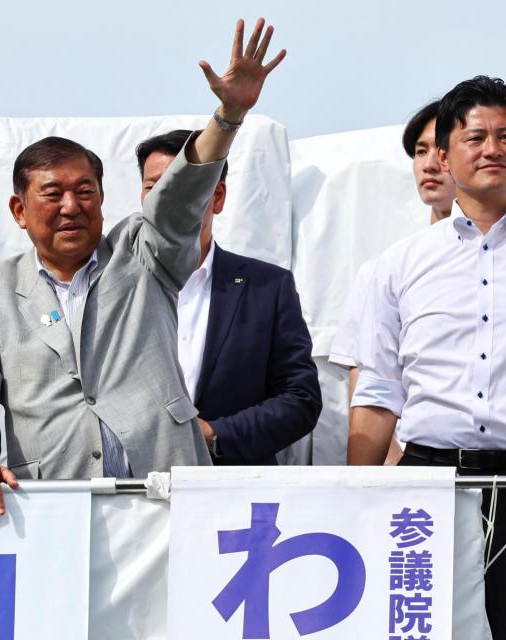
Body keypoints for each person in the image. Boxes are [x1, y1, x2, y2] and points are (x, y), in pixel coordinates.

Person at [0, 18, 286, 523]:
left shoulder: (143, 253)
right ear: (19, 210)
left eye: (85, 192)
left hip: (163, 496)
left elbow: (178, 197)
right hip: (53, 507)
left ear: (103, 201)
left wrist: (229, 115)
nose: (70, 206)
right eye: (52, 194)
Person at [347, 75, 506, 637]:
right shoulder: (397, 265)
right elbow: (377, 391)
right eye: (476, 136)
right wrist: (355, 501)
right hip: (426, 483)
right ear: (446, 153)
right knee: (421, 627)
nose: (493, 149)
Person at [135, 129, 321, 464]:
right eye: (154, 187)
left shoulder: (266, 287)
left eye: (185, 188)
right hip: (131, 489)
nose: (167, 199)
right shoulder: (113, 283)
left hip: (232, 491)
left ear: (217, 196)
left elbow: (300, 399)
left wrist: (214, 434)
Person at [330, 100, 457, 463]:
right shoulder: (387, 267)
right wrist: (390, 462)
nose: (431, 164)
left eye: (443, 149)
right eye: (421, 151)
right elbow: (368, 379)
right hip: (416, 470)